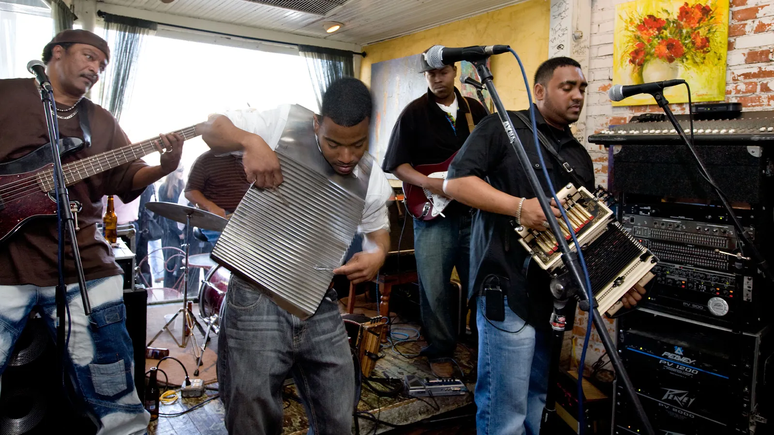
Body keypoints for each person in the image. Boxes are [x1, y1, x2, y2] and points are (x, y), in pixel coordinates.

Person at [444, 57, 646, 435]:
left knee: (537, 399)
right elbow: (456, 184)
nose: (577, 95)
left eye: (582, 88)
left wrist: (618, 280)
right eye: (566, 86)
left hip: (554, 298)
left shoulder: (579, 157)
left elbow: (587, 234)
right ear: (539, 91)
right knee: (505, 412)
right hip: (505, 289)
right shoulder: (500, 128)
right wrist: (520, 208)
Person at [0, 30, 184, 434]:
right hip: (6, 266)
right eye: (89, 57)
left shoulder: (99, 121)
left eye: (102, 65)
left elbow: (127, 176)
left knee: (111, 377)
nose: (96, 69)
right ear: (56, 54)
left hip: (83, 263)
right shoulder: (7, 96)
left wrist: (164, 167)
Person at [198, 77, 392, 435]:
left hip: (318, 299)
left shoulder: (371, 177)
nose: (346, 157)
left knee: (338, 414)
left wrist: (377, 255)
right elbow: (210, 126)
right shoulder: (282, 125)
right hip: (255, 298)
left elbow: (378, 232)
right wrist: (250, 141)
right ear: (317, 123)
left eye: (358, 144)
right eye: (334, 143)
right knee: (252, 418)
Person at [381, 48, 488, 377]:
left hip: (474, 214)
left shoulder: (476, 110)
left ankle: (483, 345)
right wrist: (431, 183)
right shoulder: (413, 114)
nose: (437, 78)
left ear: (455, 71)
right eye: (431, 74)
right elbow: (396, 165)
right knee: (435, 287)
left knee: (481, 284)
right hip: (433, 213)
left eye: (442, 71)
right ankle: (440, 348)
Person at [184, 150, 251, 242]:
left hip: (244, 217)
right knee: (232, 251)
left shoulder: (247, 157)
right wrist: (211, 207)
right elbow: (190, 191)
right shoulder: (205, 160)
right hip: (217, 219)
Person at [158, 167, 186, 289]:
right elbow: (166, 213)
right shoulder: (164, 188)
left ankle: (177, 292)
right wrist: (178, 231)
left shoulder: (182, 186)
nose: (181, 173)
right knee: (170, 263)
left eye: (183, 170)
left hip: (181, 228)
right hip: (169, 230)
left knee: (180, 264)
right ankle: (169, 292)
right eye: (179, 170)